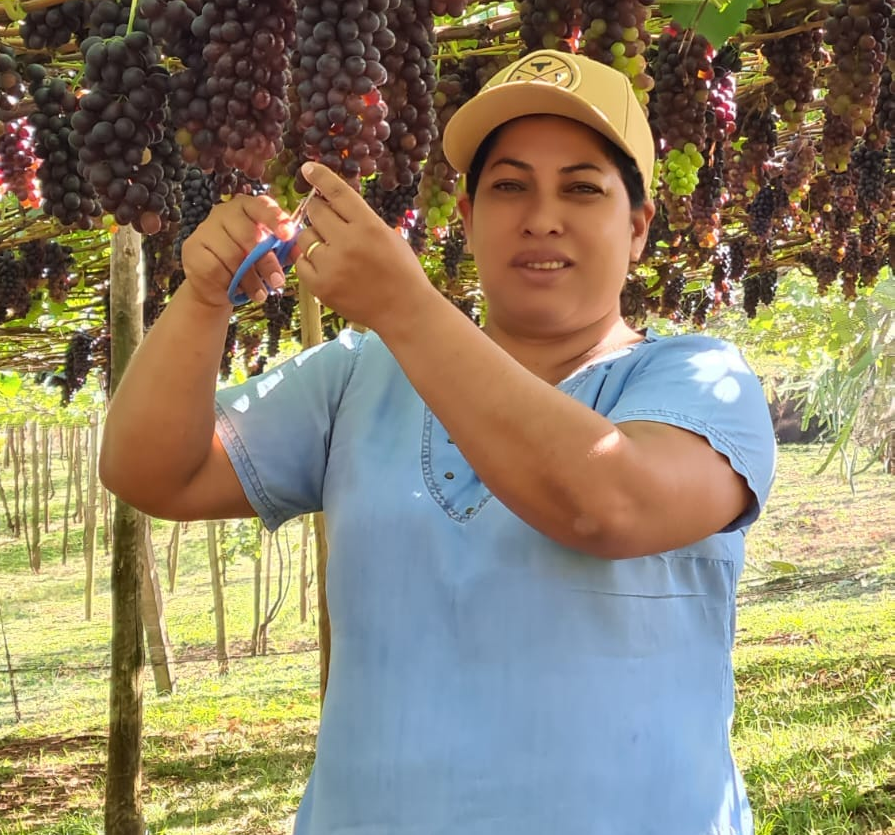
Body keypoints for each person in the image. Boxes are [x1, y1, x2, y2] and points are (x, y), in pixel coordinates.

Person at [101, 49, 776, 835]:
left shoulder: (698, 380)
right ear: (466, 217)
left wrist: (408, 309)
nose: (541, 215)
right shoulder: (358, 375)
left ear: (636, 228)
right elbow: (151, 471)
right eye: (508, 186)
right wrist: (205, 295)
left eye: (582, 188)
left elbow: (608, 503)